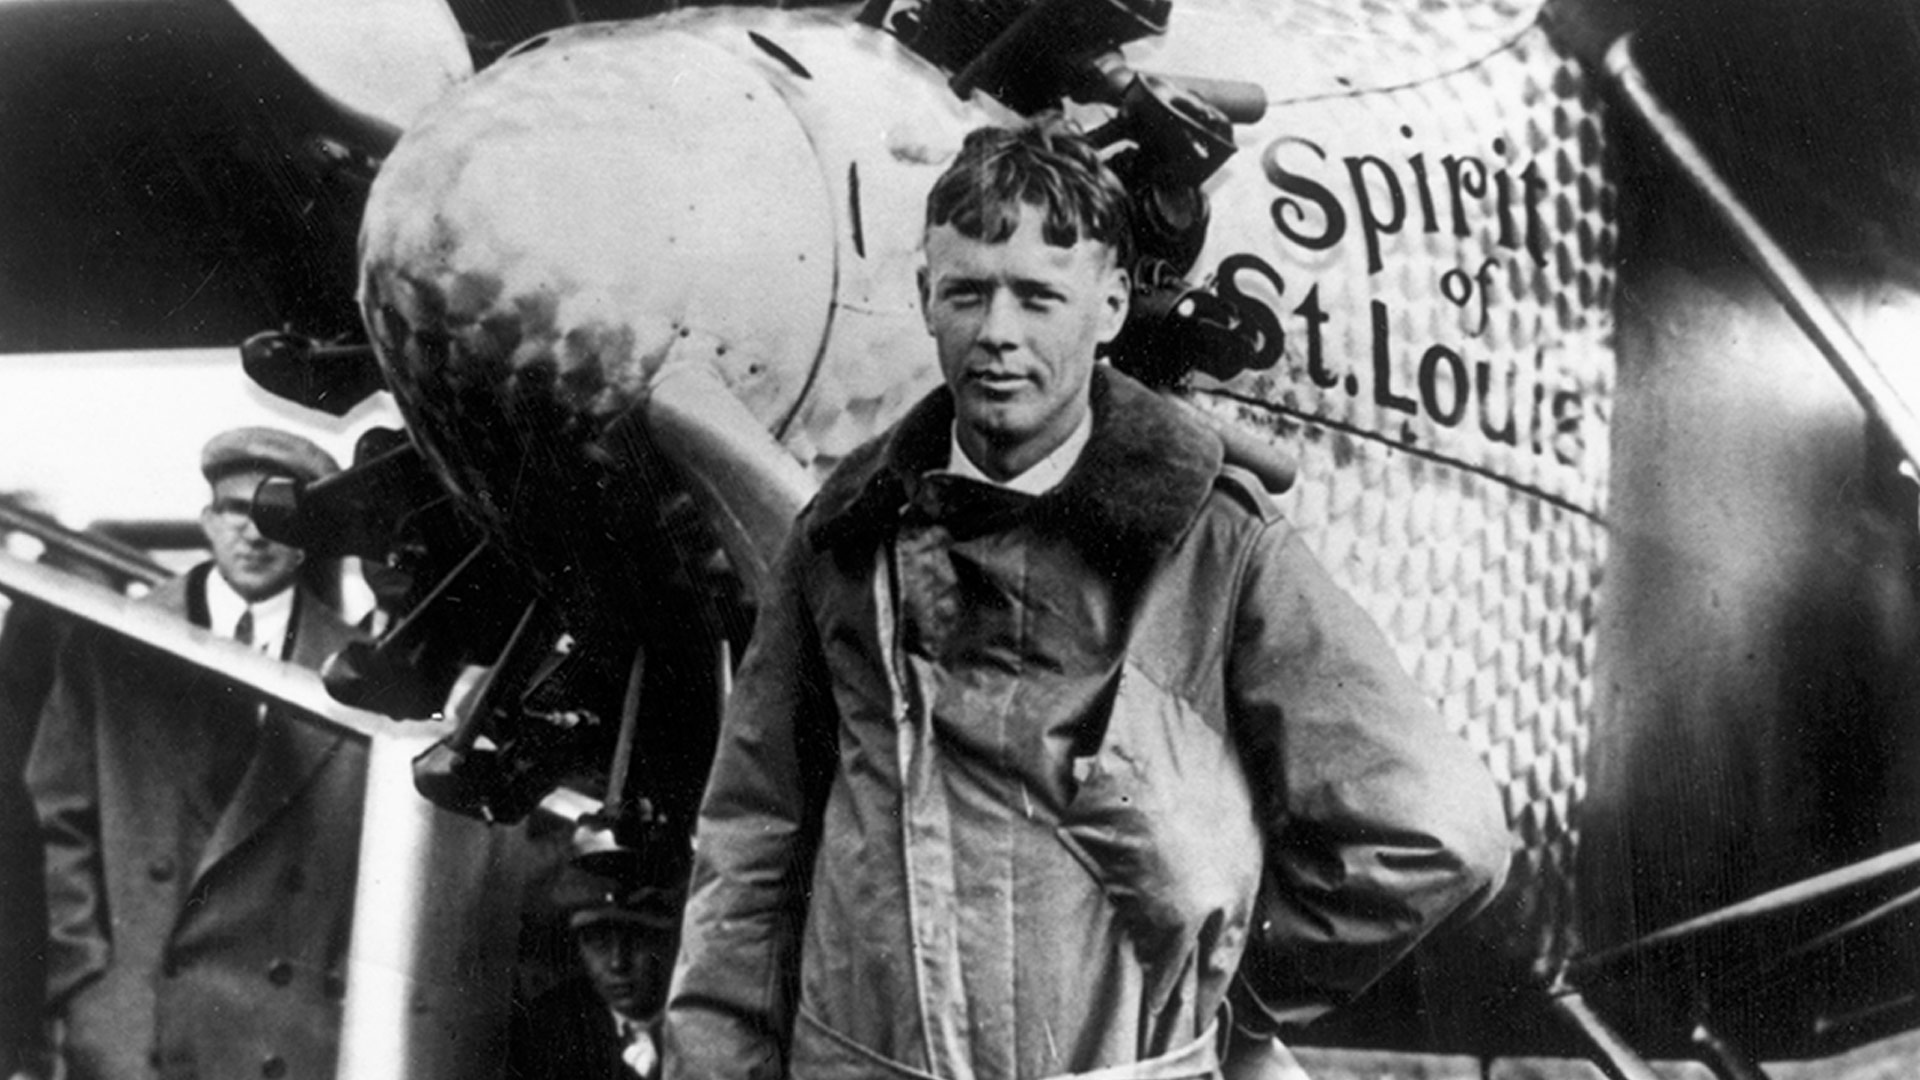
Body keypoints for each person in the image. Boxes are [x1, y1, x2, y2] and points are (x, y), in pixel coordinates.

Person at [664, 118, 1514, 1080]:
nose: (998, 334)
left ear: (1110, 304)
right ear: (924, 299)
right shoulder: (841, 534)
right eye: (967, 292)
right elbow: (755, 835)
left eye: (1039, 297)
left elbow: (1439, 829)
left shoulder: (1215, 538)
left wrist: (1222, 980)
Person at [27, 427, 365, 1080]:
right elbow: (55, 819)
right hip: (136, 1023)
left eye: (280, 516)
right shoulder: (111, 641)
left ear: (309, 541)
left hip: (289, 1039)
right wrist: (85, 982)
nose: (255, 533)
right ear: (208, 521)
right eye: (238, 510)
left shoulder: (356, 677)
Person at [509, 858, 684, 1080]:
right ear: (578, 947)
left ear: (669, 942)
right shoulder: (545, 1033)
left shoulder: (709, 1014)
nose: (617, 963)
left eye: (637, 940)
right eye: (599, 943)